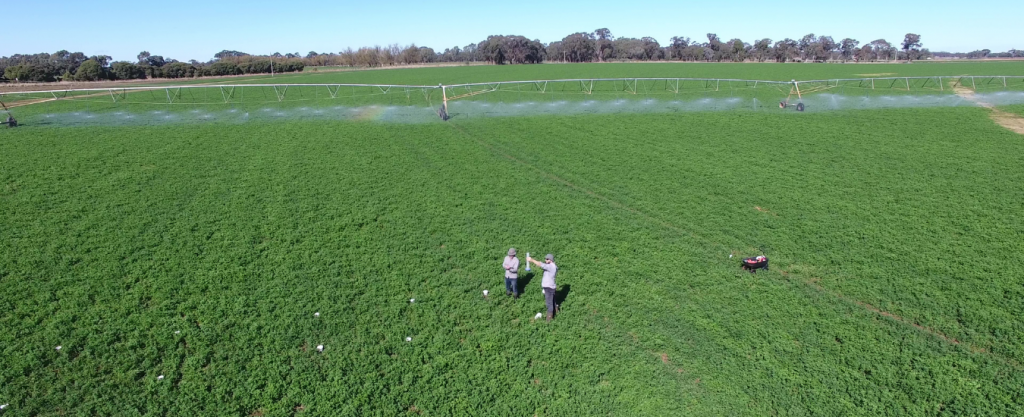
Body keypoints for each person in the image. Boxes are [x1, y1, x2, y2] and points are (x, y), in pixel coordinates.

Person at [527, 253, 558, 322]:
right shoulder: (551, 266)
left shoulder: (551, 266)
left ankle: (549, 319)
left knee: (549, 303)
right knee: (552, 301)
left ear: (550, 260)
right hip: (550, 287)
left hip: (549, 288)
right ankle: (556, 311)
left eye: (547, 259)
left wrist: (531, 260)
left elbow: (540, 264)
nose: (545, 260)